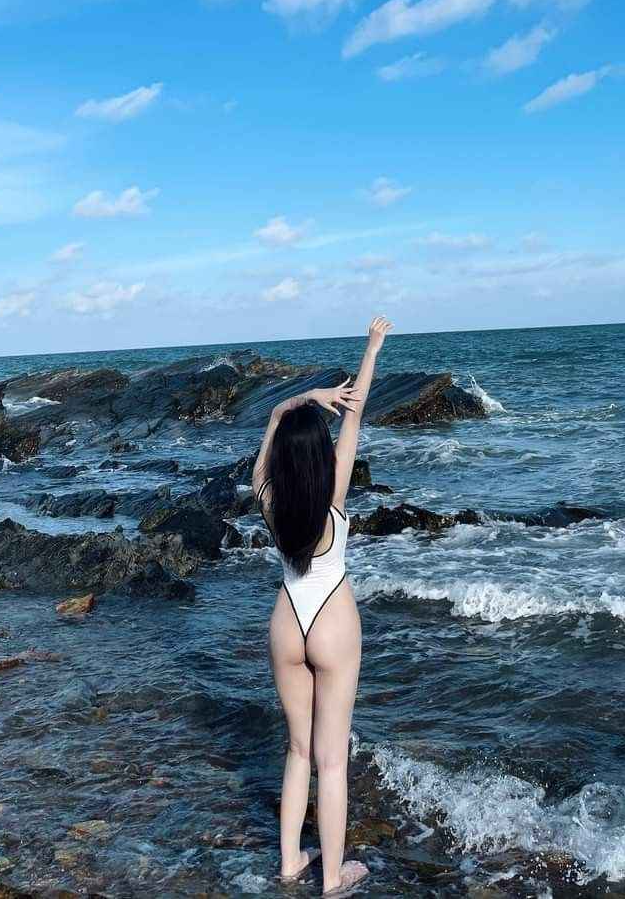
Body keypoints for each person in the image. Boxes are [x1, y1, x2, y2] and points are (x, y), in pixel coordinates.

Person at [253, 316, 393, 896]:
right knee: (332, 761)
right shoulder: (333, 497)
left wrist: (303, 399)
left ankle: (290, 861)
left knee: (297, 750)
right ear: (321, 456)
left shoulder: (269, 499)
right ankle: (333, 877)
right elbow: (354, 416)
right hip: (333, 622)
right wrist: (372, 349)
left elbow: (272, 421)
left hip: (287, 621)